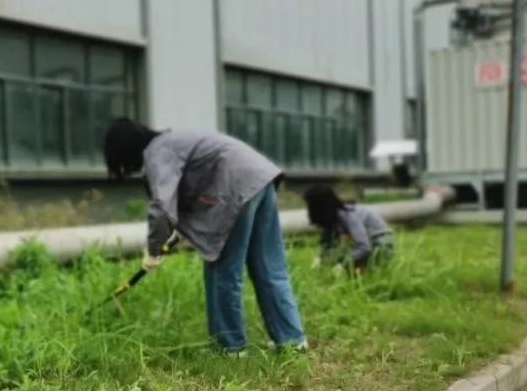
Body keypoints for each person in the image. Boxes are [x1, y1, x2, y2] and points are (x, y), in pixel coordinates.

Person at [104, 118, 307, 355]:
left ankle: (229, 347)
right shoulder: (174, 140)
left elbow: (162, 207)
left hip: (234, 188)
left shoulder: (157, 152)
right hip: (261, 179)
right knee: (269, 266)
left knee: (222, 270)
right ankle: (292, 340)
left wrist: (153, 250)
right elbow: (189, 193)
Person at [302, 184, 394, 270]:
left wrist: (342, 264)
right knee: (334, 255)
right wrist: (320, 258)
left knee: (346, 257)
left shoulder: (348, 215)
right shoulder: (333, 219)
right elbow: (328, 246)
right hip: (369, 243)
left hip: (380, 245)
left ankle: (364, 269)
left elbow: (364, 247)